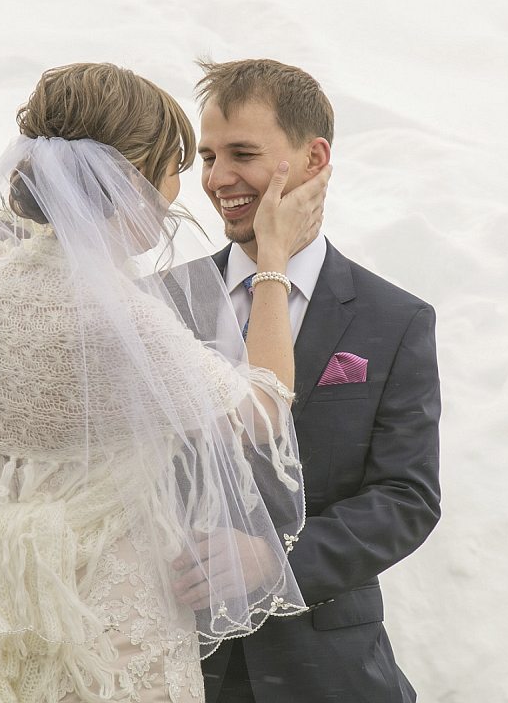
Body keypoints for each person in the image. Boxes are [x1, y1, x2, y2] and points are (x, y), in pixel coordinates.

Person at [0, 63, 332, 703]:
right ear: (129, 183)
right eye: (171, 174)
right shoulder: (123, 316)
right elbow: (264, 411)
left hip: (7, 621)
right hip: (115, 634)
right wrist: (273, 263)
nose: (175, 200)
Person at [189, 59, 442, 703]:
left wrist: (273, 563)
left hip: (327, 671)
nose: (218, 179)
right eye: (207, 156)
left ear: (313, 158)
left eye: (242, 154)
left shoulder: (395, 319)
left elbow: (406, 495)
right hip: (175, 662)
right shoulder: (161, 301)